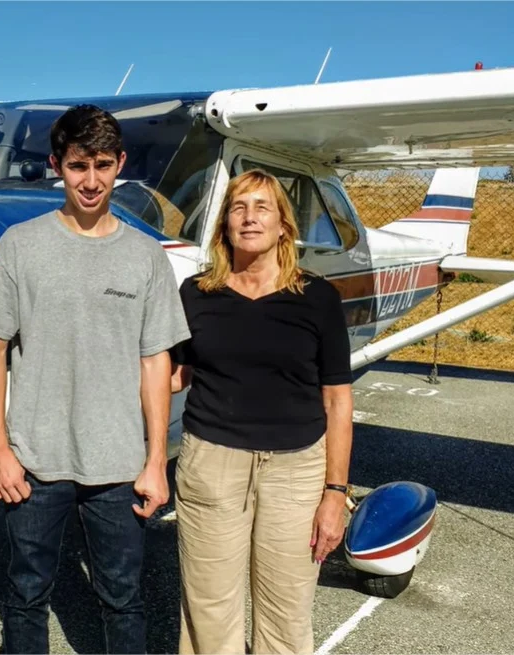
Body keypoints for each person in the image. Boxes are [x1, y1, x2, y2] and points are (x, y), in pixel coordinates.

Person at [0, 104, 190, 654]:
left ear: (120, 164)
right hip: (34, 458)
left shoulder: (146, 257)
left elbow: (154, 362)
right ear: (56, 166)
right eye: (77, 166)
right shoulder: (20, 246)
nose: (90, 181)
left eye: (101, 165)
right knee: (25, 595)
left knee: (123, 598)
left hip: (117, 463)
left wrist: (155, 461)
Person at [169, 169, 354, 654]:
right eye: (238, 207)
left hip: (296, 470)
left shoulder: (317, 298)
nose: (249, 217)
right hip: (211, 462)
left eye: (262, 207)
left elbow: (337, 399)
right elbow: (169, 375)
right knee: (208, 605)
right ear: (224, 225)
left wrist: (335, 493)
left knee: (287, 608)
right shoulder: (195, 294)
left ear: (283, 226)